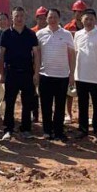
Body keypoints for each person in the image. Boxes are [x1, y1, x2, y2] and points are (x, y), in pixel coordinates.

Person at [0, 6, 40, 141]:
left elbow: (36, 54)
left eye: (21, 16)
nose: (19, 18)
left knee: (27, 103)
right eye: (16, 16)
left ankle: (25, 129)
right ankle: (8, 129)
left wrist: (36, 73)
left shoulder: (30, 34)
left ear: (25, 17)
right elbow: (1, 55)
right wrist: (1, 73)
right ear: (12, 17)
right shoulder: (6, 34)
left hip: (27, 72)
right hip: (11, 72)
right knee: (9, 102)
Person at [36, 9, 76, 141]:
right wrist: (36, 73)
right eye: (50, 17)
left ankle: (58, 131)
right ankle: (47, 130)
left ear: (59, 18)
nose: (52, 20)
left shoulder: (66, 34)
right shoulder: (40, 34)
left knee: (60, 106)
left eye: (55, 17)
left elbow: (72, 55)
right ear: (46, 19)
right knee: (46, 105)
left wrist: (72, 74)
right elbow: (37, 55)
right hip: (45, 75)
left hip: (62, 76)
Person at [73, 9, 97, 141]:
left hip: (96, 77)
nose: (89, 21)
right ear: (81, 20)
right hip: (80, 76)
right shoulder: (77, 34)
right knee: (82, 104)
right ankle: (82, 129)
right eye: (86, 19)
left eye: (91, 19)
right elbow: (75, 54)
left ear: (95, 20)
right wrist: (73, 73)